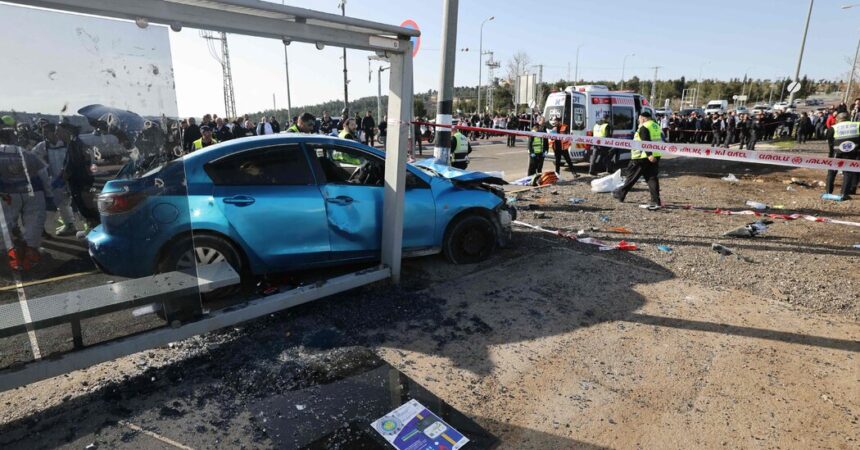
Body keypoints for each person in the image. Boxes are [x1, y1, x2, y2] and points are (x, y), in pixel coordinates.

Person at [0, 126, 50, 270]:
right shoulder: (26, 153)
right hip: (33, 191)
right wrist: (49, 194)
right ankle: (31, 252)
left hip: (7, 193)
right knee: (34, 221)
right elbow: (44, 174)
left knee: (5, 223)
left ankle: (7, 252)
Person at [32, 123, 78, 236]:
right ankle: (69, 225)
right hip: (55, 181)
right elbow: (32, 158)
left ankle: (89, 225)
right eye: (43, 133)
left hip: (71, 178)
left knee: (75, 203)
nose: (45, 135)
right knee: (59, 204)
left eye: (47, 132)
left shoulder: (67, 144)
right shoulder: (42, 146)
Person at [613, 110, 662, 208]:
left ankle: (620, 193)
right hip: (655, 155)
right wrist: (653, 155)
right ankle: (656, 201)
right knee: (652, 179)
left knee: (631, 177)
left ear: (643, 118)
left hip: (642, 156)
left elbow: (645, 142)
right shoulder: (656, 126)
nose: (639, 121)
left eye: (639, 119)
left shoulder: (644, 127)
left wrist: (649, 154)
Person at [57, 122, 99, 236]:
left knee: (86, 208)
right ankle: (93, 229)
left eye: (59, 131)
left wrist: (61, 180)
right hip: (82, 180)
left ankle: (95, 231)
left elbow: (71, 166)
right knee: (86, 207)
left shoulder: (74, 144)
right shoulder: (75, 143)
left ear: (67, 132)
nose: (57, 134)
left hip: (80, 181)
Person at [825, 113, 859, 199]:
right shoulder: (857, 125)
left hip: (837, 152)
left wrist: (830, 155)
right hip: (853, 151)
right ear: (849, 118)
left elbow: (830, 143)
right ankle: (844, 194)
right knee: (848, 172)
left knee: (832, 172)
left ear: (837, 119)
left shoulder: (833, 128)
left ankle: (828, 192)